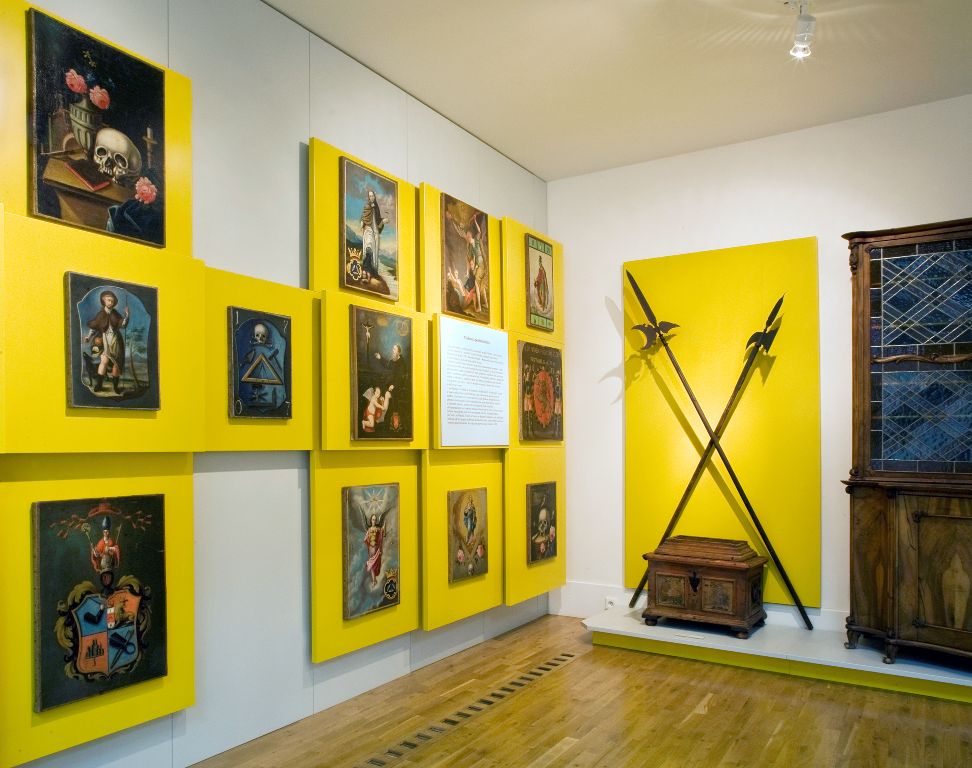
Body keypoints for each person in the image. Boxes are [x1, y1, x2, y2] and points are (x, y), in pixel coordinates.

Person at [84, 290, 129, 394]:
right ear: (103, 301)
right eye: (108, 300)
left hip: (115, 341)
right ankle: (99, 385)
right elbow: (94, 326)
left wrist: (126, 316)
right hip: (104, 341)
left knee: (116, 364)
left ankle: (116, 387)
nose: (110, 302)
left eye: (112, 301)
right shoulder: (100, 314)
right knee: (104, 361)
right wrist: (88, 337)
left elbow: (122, 324)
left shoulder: (115, 314)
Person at [359, 188, 386, 284]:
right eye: (370, 196)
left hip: (375, 232)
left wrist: (383, 221)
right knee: (368, 249)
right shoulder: (367, 206)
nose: (371, 197)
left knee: (373, 252)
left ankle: (371, 273)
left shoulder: (376, 207)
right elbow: (364, 217)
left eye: (372, 196)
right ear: (368, 197)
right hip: (368, 231)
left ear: (374, 196)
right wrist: (362, 224)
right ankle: (366, 273)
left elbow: (378, 220)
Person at [363, 513, 385, 587]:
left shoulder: (378, 529)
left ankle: (374, 580)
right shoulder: (369, 530)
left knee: (375, 565)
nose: (374, 521)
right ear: (371, 520)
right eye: (373, 520)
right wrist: (368, 538)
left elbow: (381, 536)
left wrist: (383, 530)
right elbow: (365, 539)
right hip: (371, 549)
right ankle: (374, 580)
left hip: (376, 549)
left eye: (375, 520)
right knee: (372, 565)